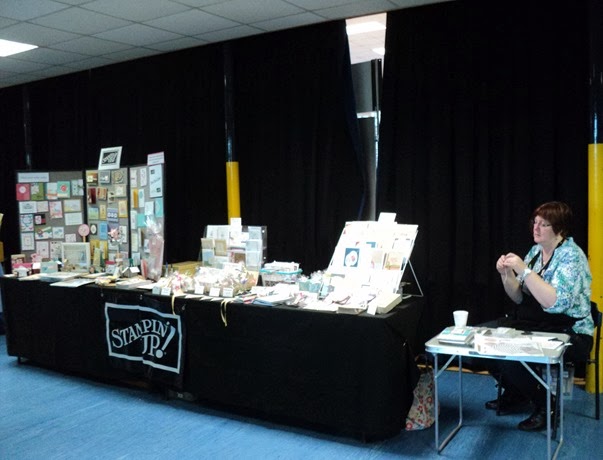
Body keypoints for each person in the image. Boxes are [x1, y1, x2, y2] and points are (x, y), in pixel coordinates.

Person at [488, 201, 594, 431]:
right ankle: (518, 392)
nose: (536, 228)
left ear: (559, 228)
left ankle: (547, 406)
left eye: (543, 224)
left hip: (572, 332)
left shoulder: (572, 256)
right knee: (486, 342)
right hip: (541, 323)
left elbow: (553, 303)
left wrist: (524, 270)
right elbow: (519, 297)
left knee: (511, 352)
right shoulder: (536, 252)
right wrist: (506, 274)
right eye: (535, 222)